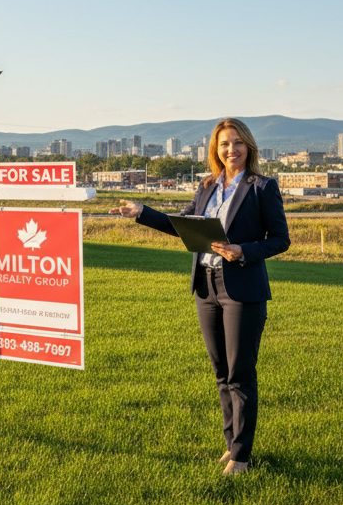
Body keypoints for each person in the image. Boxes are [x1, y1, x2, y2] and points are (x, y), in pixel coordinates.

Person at [109, 117, 290, 475]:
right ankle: (231, 443)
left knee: (240, 372)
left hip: (242, 289)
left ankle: (242, 456)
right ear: (215, 150)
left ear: (249, 146)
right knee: (221, 371)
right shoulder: (207, 185)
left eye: (237, 142)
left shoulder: (262, 187)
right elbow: (182, 225)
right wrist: (142, 213)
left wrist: (243, 250)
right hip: (206, 286)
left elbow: (281, 239)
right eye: (224, 144)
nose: (231, 150)